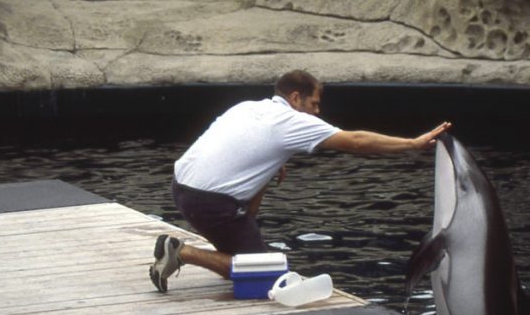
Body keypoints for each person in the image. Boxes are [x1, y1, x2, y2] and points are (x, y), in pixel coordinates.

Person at [149, 69, 451, 292]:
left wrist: (266, 171)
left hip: (182, 187)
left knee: (245, 255)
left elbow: (248, 215)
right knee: (265, 275)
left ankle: (213, 257)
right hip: (209, 202)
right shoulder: (293, 121)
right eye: (315, 104)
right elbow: (357, 141)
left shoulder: (246, 107)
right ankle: (181, 252)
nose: (318, 112)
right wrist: (413, 144)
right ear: (296, 98)